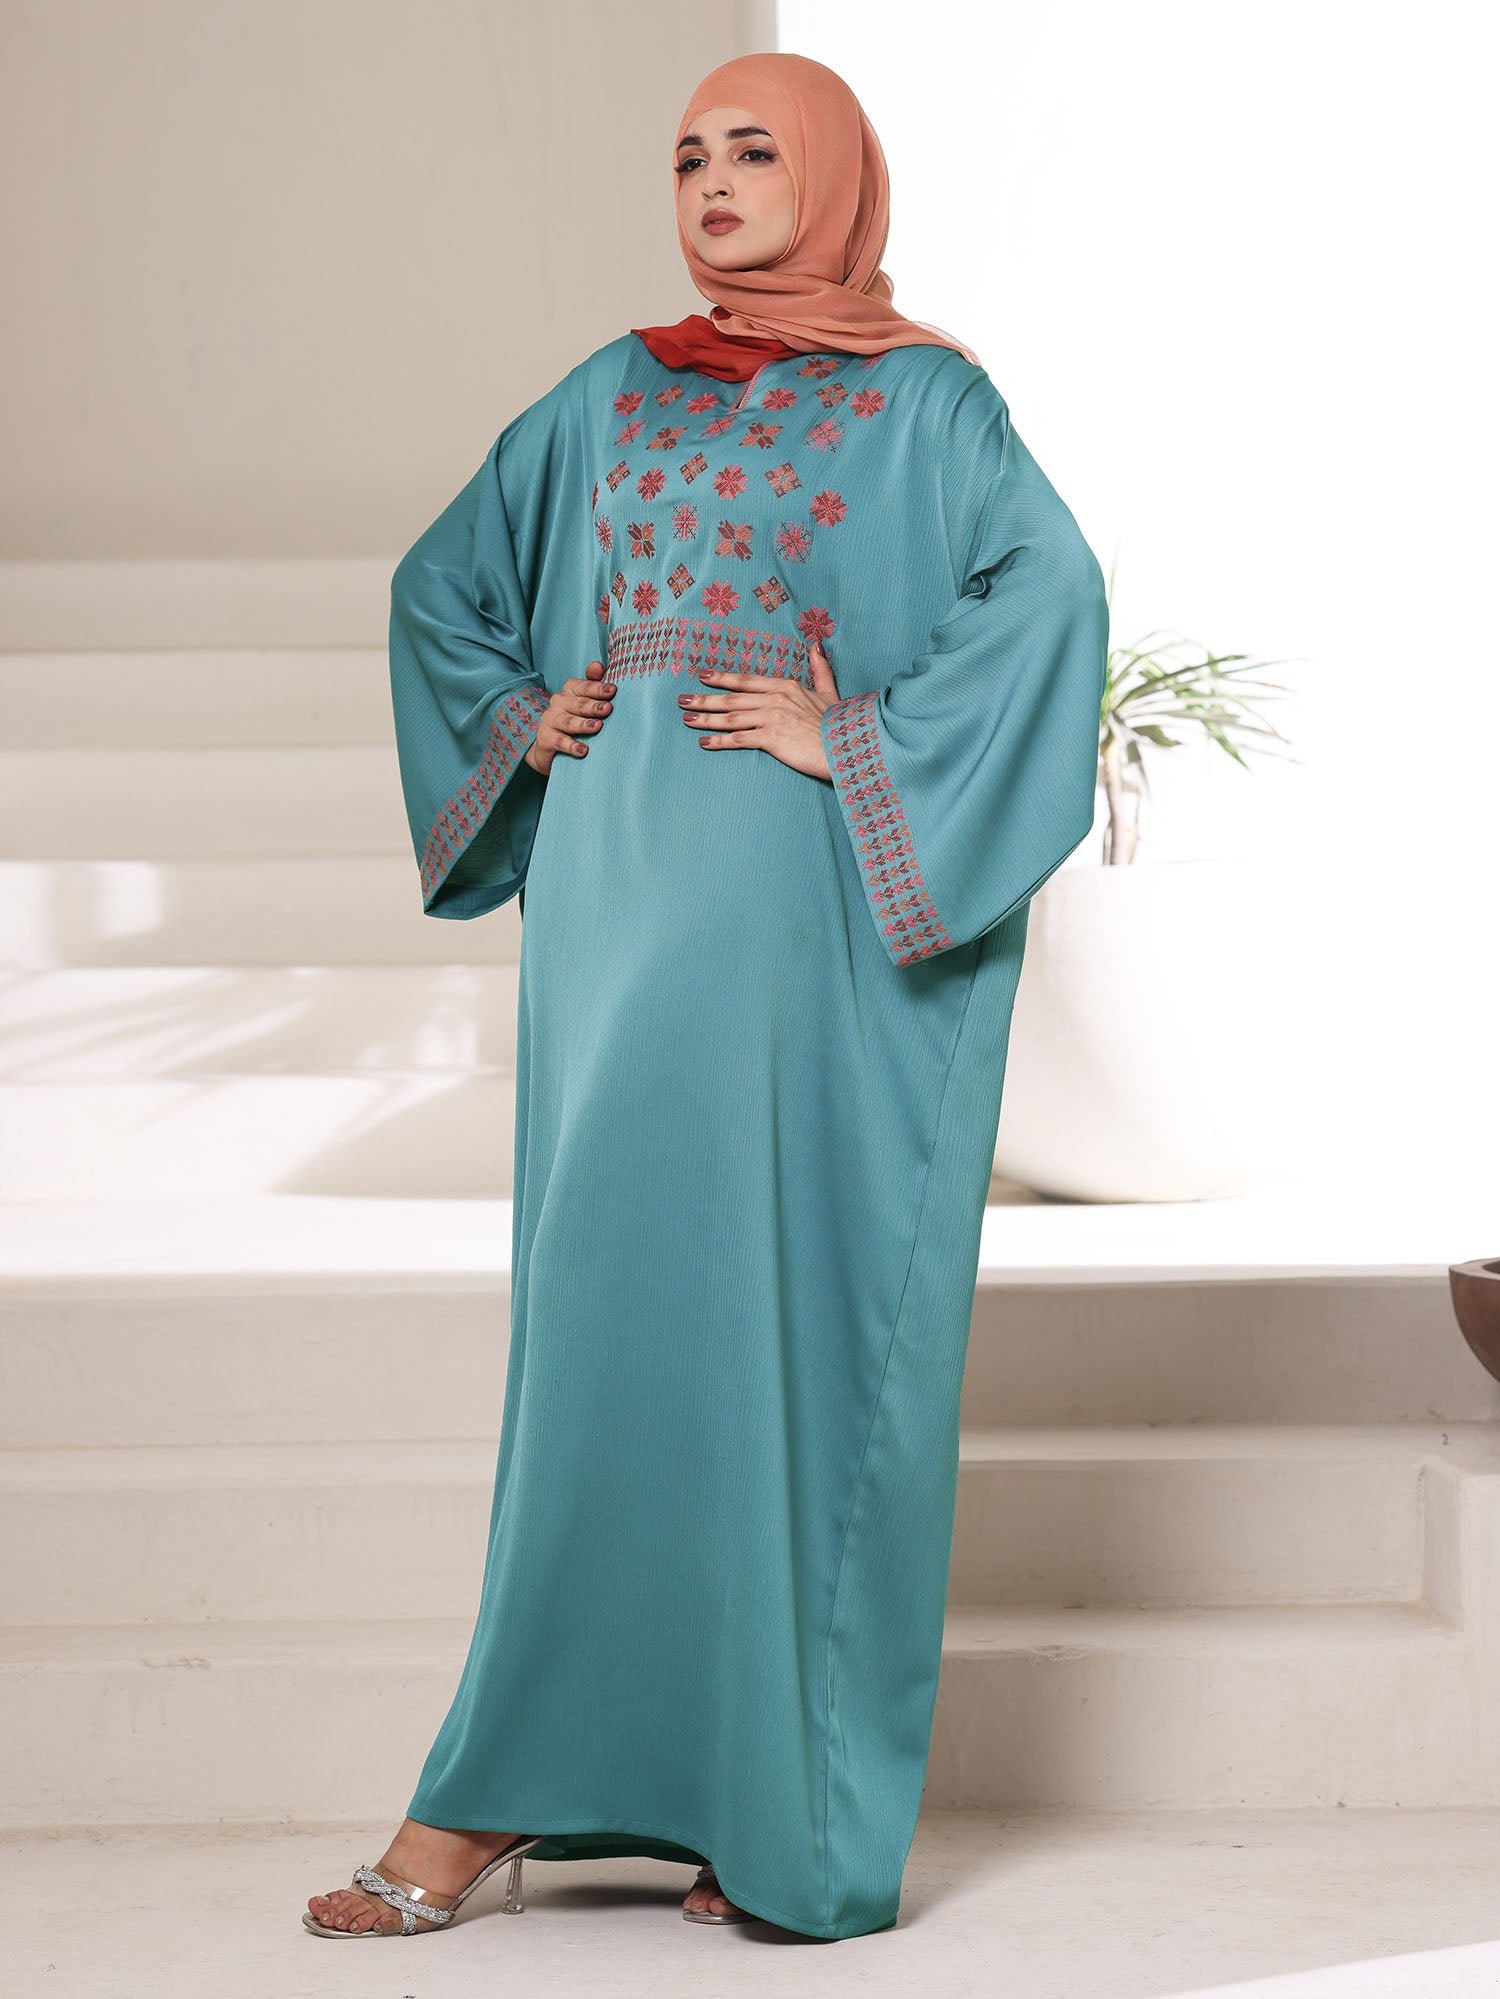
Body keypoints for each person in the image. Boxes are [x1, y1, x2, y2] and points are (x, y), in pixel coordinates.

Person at [303, 48, 1106, 1945]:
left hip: (806, 926)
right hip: (621, 910)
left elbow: (1053, 599)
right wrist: (530, 713)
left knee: (780, 1331)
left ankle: (769, 1813)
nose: (714, 181)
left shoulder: (928, 404)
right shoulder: (610, 392)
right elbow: (442, 585)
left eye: (754, 150)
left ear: (831, 174)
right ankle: (492, 1788)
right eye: (687, 157)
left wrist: (858, 739)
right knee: (606, 1328)